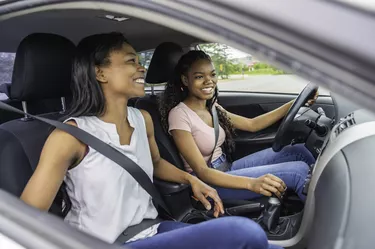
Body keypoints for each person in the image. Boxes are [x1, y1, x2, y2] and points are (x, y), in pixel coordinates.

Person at [20, 32, 283, 249]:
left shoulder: (142, 118)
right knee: (242, 233)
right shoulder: (69, 136)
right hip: (103, 242)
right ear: (100, 73)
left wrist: (191, 179)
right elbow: (27, 219)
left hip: (151, 228)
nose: (141, 67)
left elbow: (155, 163)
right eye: (131, 61)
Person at [160, 50, 316, 202]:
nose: (209, 81)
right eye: (199, 76)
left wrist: (295, 103)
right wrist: (251, 183)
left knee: (298, 151)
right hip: (209, 183)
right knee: (298, 171)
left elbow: (252, 124)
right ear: (186, 80)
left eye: (213, 74)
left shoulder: (212, 107)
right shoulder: (179, 115)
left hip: (226, 167)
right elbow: (202, 171)